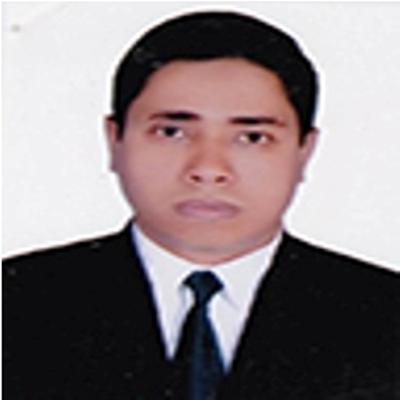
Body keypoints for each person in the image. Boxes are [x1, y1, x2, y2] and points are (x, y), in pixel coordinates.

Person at [3, 10, 399, 400]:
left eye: (252, 137)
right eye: (171, 132)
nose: (208, 169)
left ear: (304, 151)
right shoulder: (16, 302)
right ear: (114, 140)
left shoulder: (385, 315)